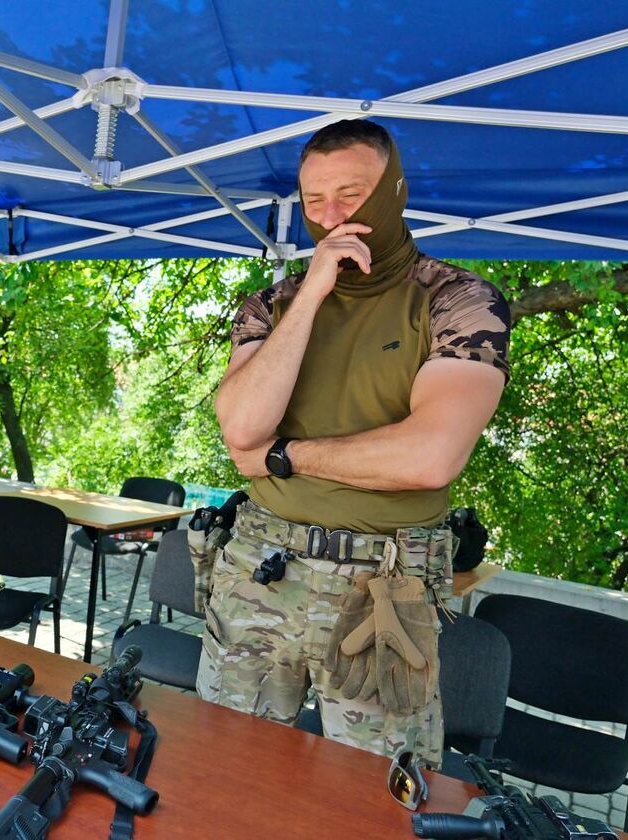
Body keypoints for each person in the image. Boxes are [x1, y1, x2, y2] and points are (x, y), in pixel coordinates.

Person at [198, 119, 510, 767]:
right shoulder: (271, 306)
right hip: (260, 566)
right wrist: (312, 290)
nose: (332, 215)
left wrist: (287, 457)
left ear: (394, 192)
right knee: (227, 765)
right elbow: (241, 429)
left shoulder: (459, 301)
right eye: (314, 200)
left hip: (383, 584)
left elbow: (430, 456)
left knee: (376, 792)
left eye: (352, 193)